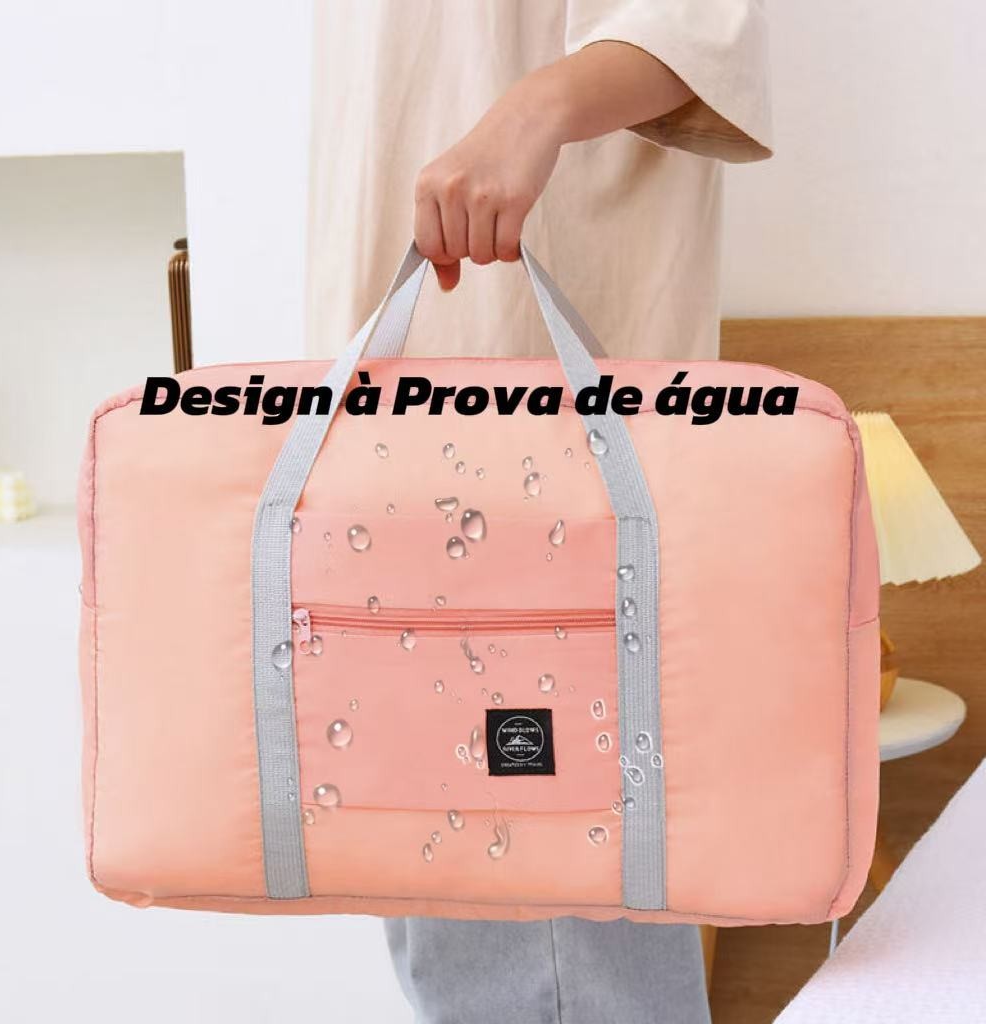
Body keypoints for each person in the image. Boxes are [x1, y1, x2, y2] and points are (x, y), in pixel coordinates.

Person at [306, 2, 771, 1021]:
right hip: (390, 426)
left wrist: (531, 113)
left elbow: (699, 24)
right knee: (453, 933)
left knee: (551, 942)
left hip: (532, 428)